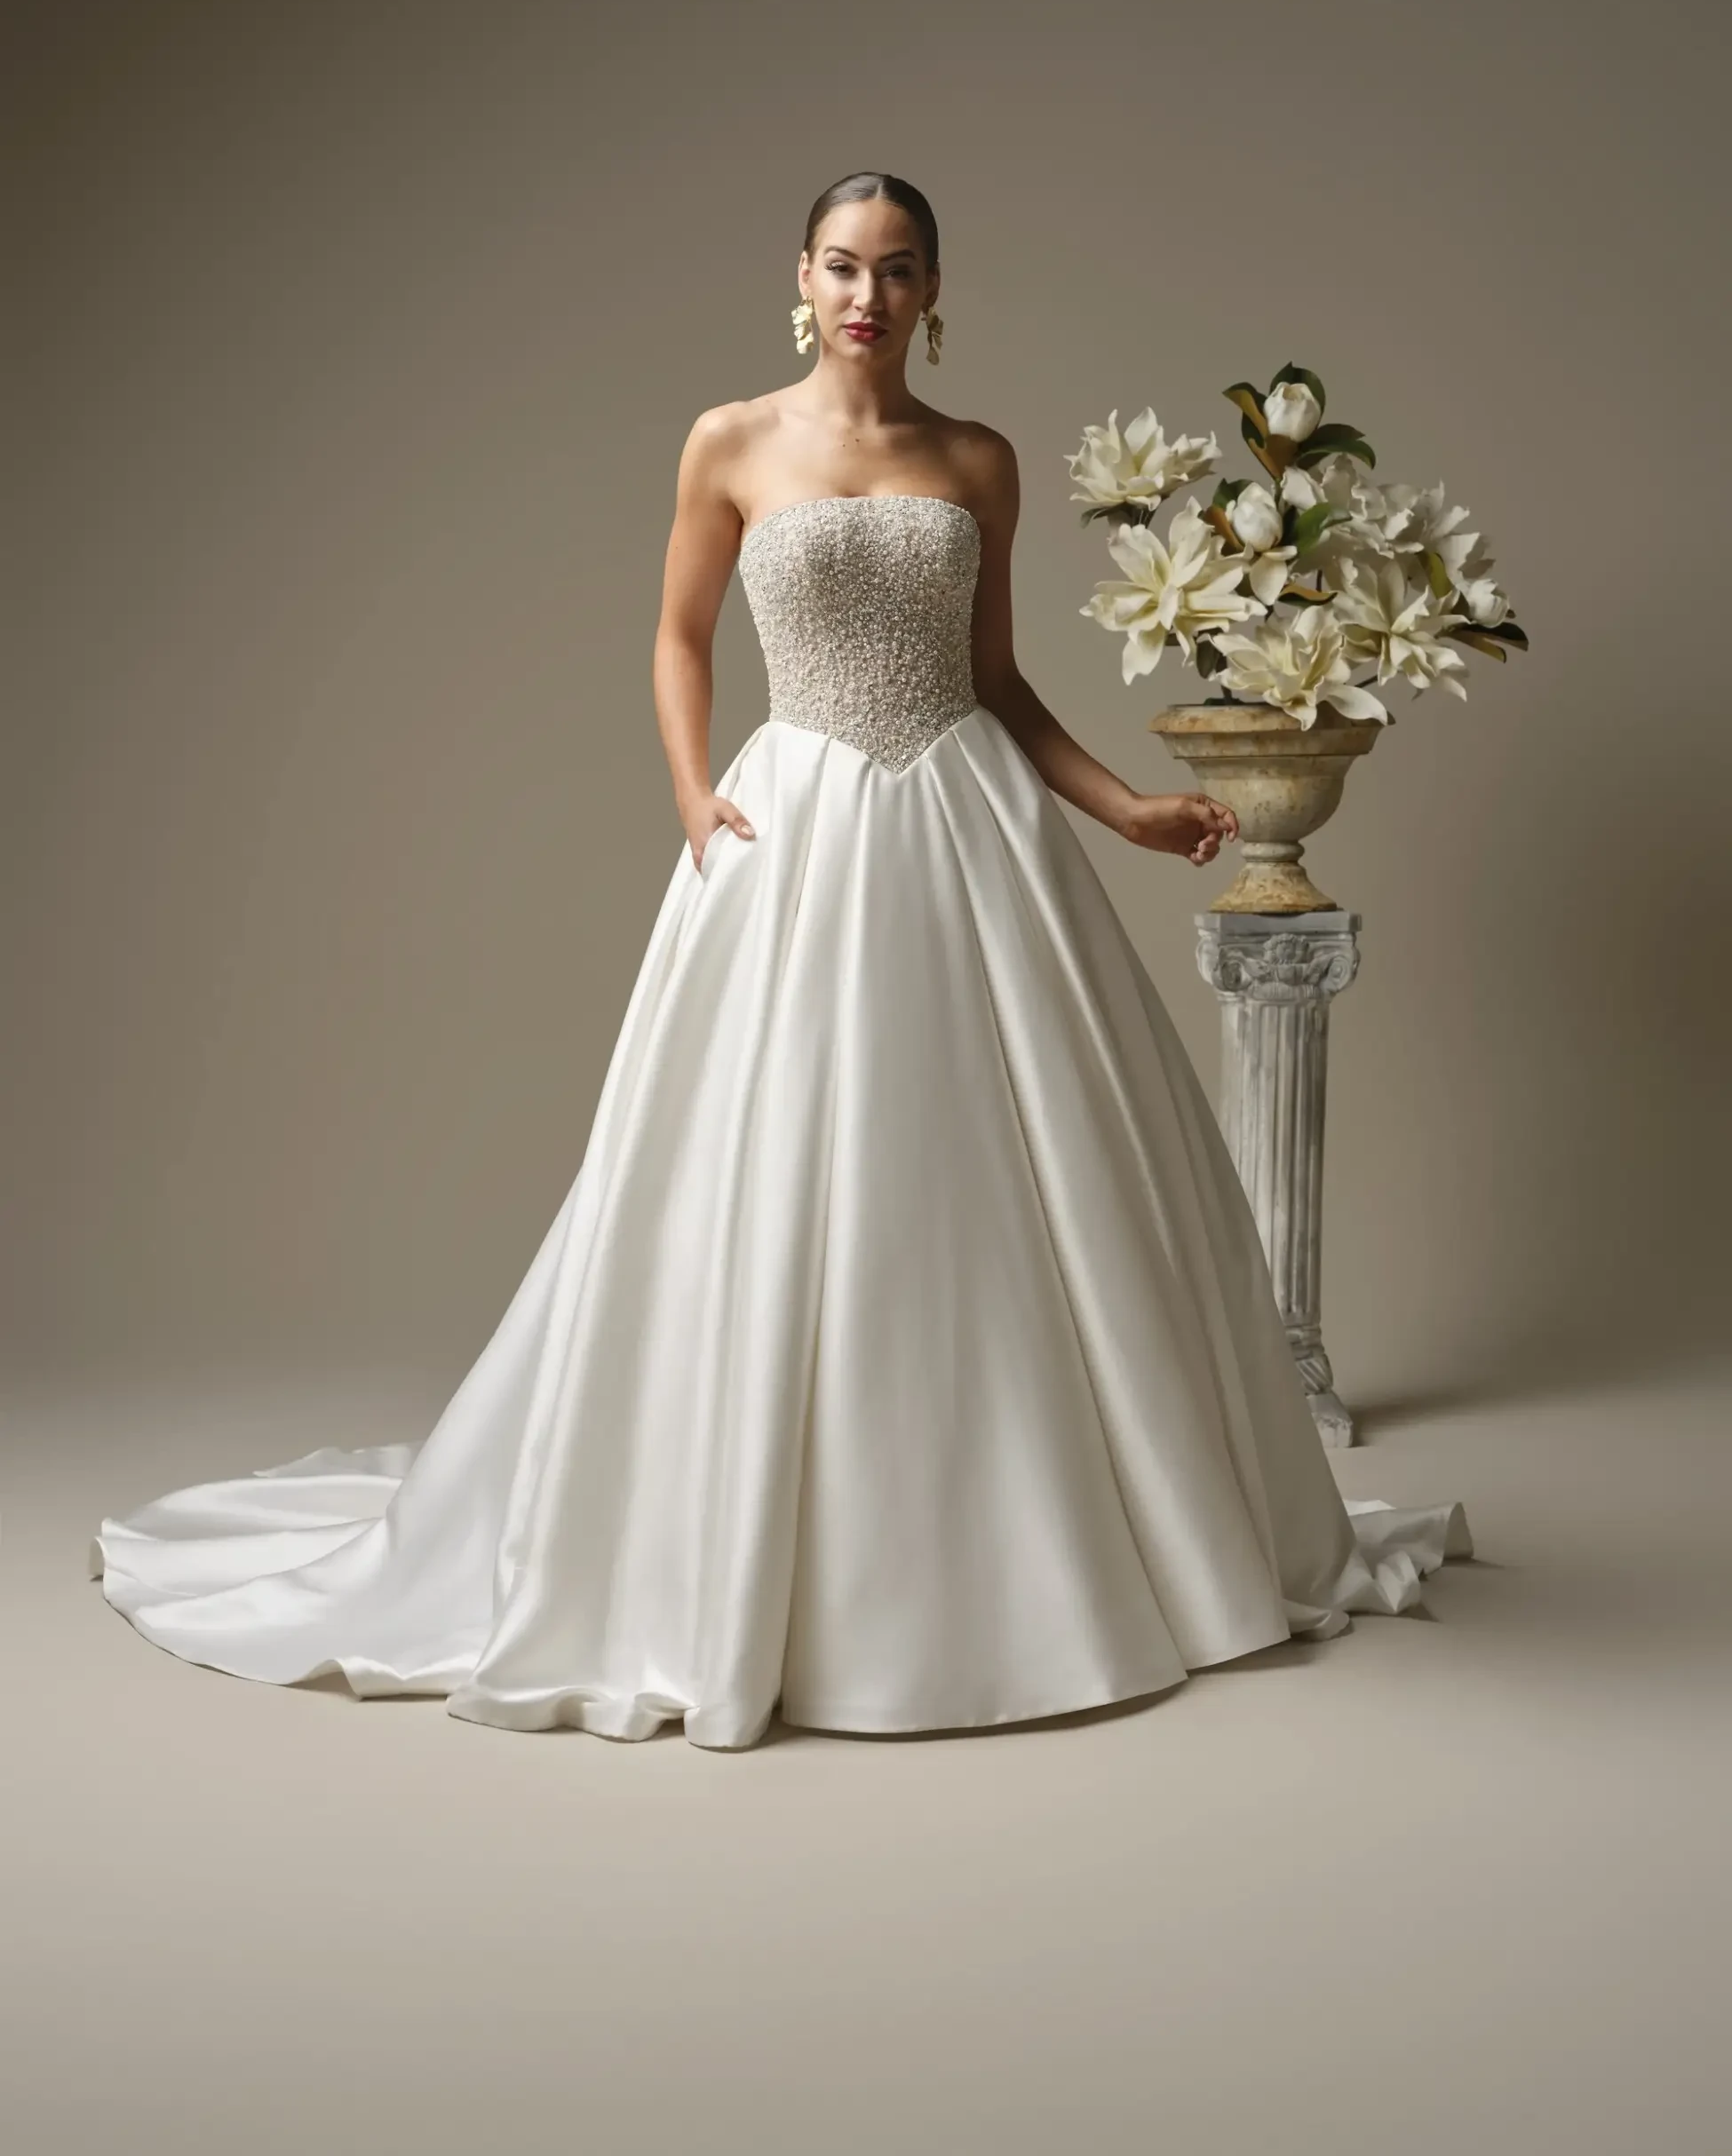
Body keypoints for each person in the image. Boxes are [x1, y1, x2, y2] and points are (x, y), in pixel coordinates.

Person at [91, 171, 1471, 1749]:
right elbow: (679, 638)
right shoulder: (729, 441)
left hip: (965, 825)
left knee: (1003, 1190)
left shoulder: (977, 460)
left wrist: (1126, 813)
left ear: (936, 288)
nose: (865, 294)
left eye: (894, 270)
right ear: (798, 280)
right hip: (789, 821)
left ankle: (1014, 1553)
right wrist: (693, 795)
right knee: (753, 1181)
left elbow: (999, 683)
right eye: (840, 265)